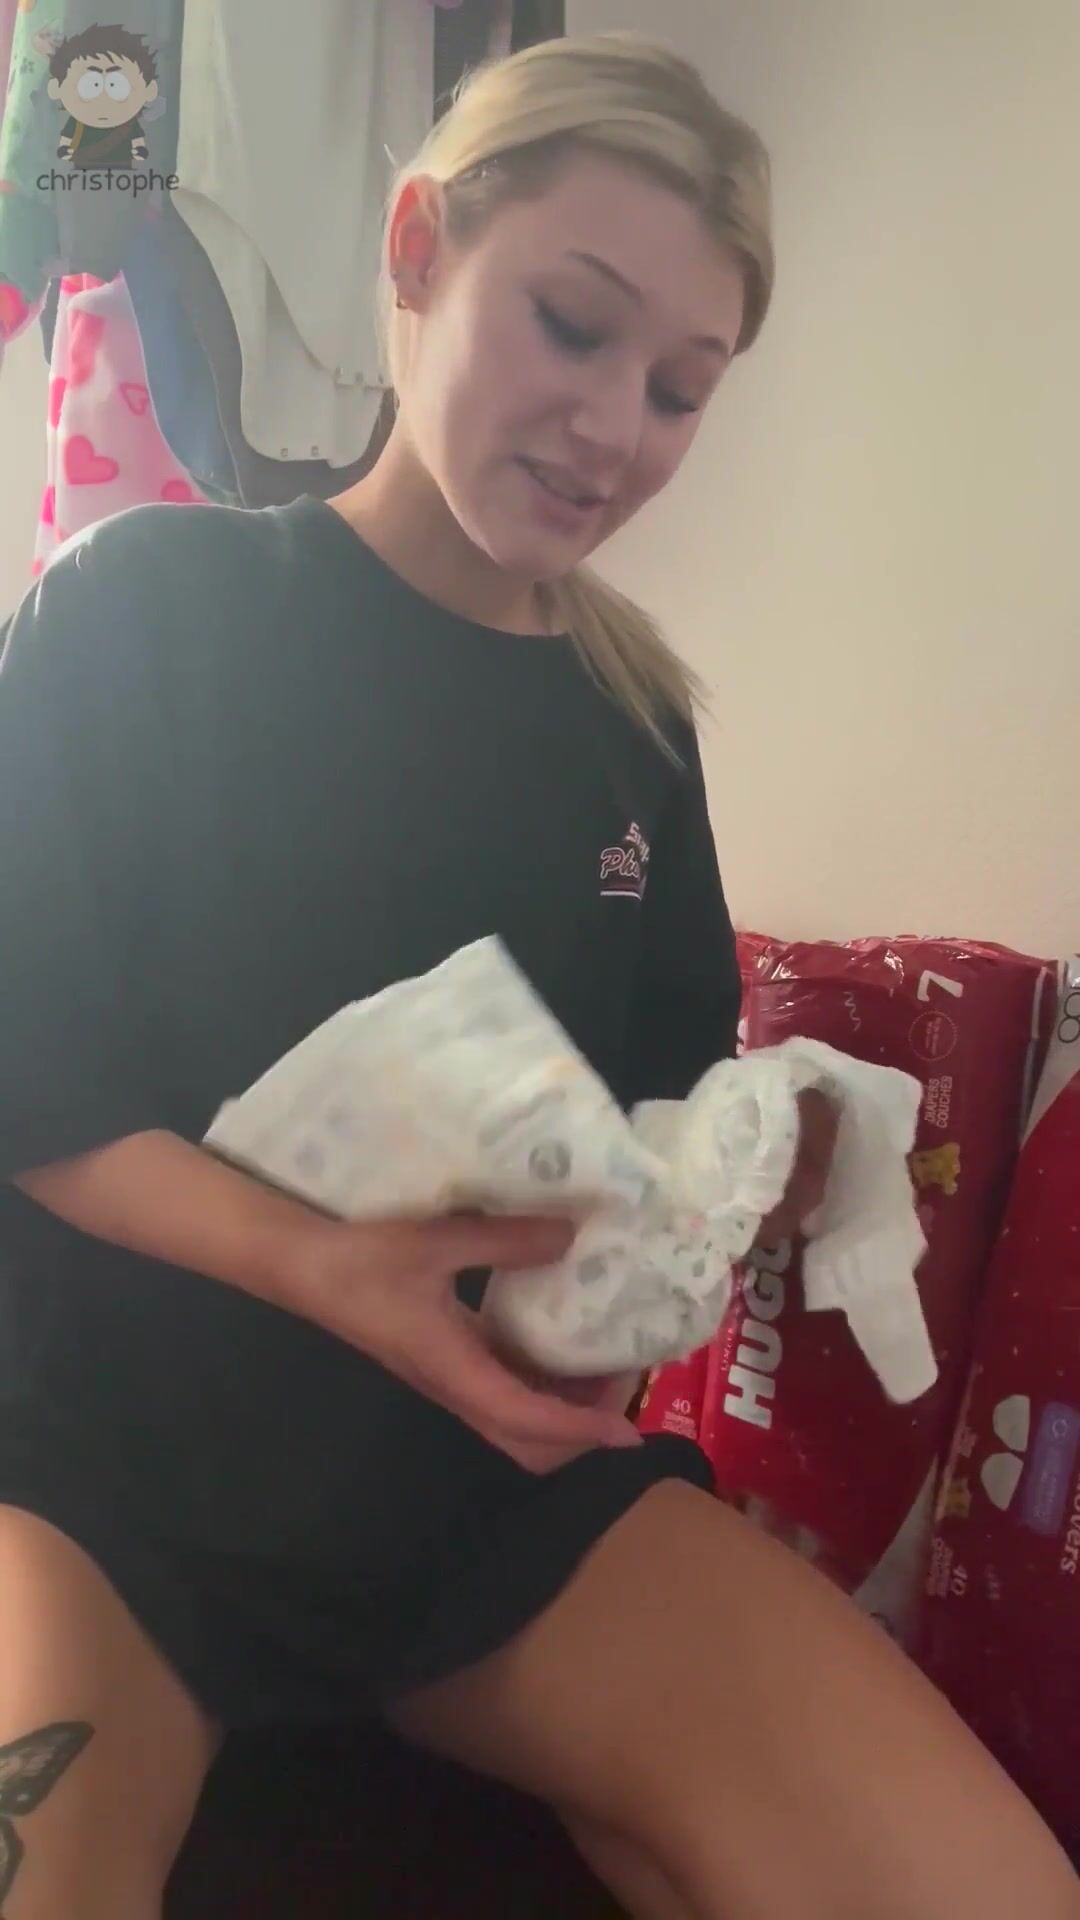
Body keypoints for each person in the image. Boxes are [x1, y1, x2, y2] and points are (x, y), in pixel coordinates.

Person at [0, 29, 1075, 1920]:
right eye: (573, 327)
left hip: (471, 1498)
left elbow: (651, 1123)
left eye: (680, 389)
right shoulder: (142, 612)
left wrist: (741, 1183)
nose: (613, 430)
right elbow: (32, 1076)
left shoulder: (632, 731)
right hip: (106, 1473)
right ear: (418, 248)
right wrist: (323, 1266)